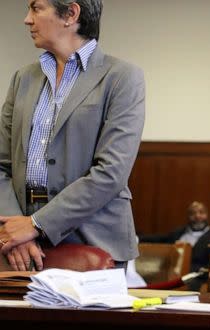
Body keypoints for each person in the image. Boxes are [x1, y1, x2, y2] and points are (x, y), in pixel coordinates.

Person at [0, 0, 145, 271]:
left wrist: (36, 224)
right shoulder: (23, 78)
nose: (27, 19)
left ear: (71, 14)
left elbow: (111, 172)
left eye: (36, 8)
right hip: (19, 248)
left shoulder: (122, 78)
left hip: (94, 243)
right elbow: (1, 165)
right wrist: (14, 227)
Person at [140, 201, 210, 275]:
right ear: (188, 216)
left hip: (196, 276)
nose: (197, 216)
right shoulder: (178, 232)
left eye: (201, 212)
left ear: (207, 215)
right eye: (193, 213)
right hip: (170, 272)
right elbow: (161, 239)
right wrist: (138, 238)